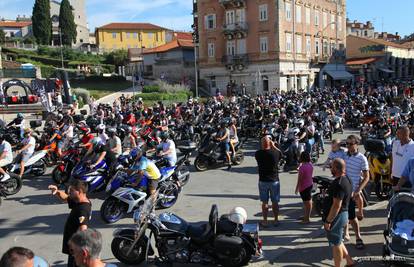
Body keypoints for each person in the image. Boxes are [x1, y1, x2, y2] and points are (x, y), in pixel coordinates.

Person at [48, 179, 91, 267]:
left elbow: (83, 230)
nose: (69, 192)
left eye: (71, 190)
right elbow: (66, 198)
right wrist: (56, 192)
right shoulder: (79, 201)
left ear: (79, 191)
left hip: (76, 249)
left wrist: (77, 248)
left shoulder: (83, 209)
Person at [324, 158, 354, 267]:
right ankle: (349, 261)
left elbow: (337, 205)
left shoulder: (339, 183)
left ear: (336, 168)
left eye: (332, 166)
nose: (330, 168)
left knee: (335, 244)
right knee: (339, 240)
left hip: (337, 217)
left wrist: (328, 220)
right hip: (344, 214)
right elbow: (349, 195)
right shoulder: (347, 179)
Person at [342, 135, 369, 249]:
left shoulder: (362, 158)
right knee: (343, 214)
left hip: (352, 192)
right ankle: (346, 232)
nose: (348, 146)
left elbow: (367, 177)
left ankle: (358, 237)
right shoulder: (344, 155)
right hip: (342, 190)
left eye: (350, 144)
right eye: (347, 144)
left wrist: (358, 190)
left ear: (357, 144)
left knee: (352, 216)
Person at [255, 136, 282, 227]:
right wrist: (273, 145)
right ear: (270, 143)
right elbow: (280, 153)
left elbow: (261, 150)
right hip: (274, 180)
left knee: (264, 202)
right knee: (275, 202)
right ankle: (276, 219)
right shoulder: (275, 153)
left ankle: (265, 221)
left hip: (263, 181)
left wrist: (265, 144)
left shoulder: (258, 154)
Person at [295, 151, 313, 224]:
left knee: (307, 203)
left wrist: (297, 188)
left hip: (304, 187)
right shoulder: (310, 165)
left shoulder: (302, 167)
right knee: (307, 202)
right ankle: (306, 216)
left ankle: (307, 219)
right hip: (309, 184)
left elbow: (300, 179)